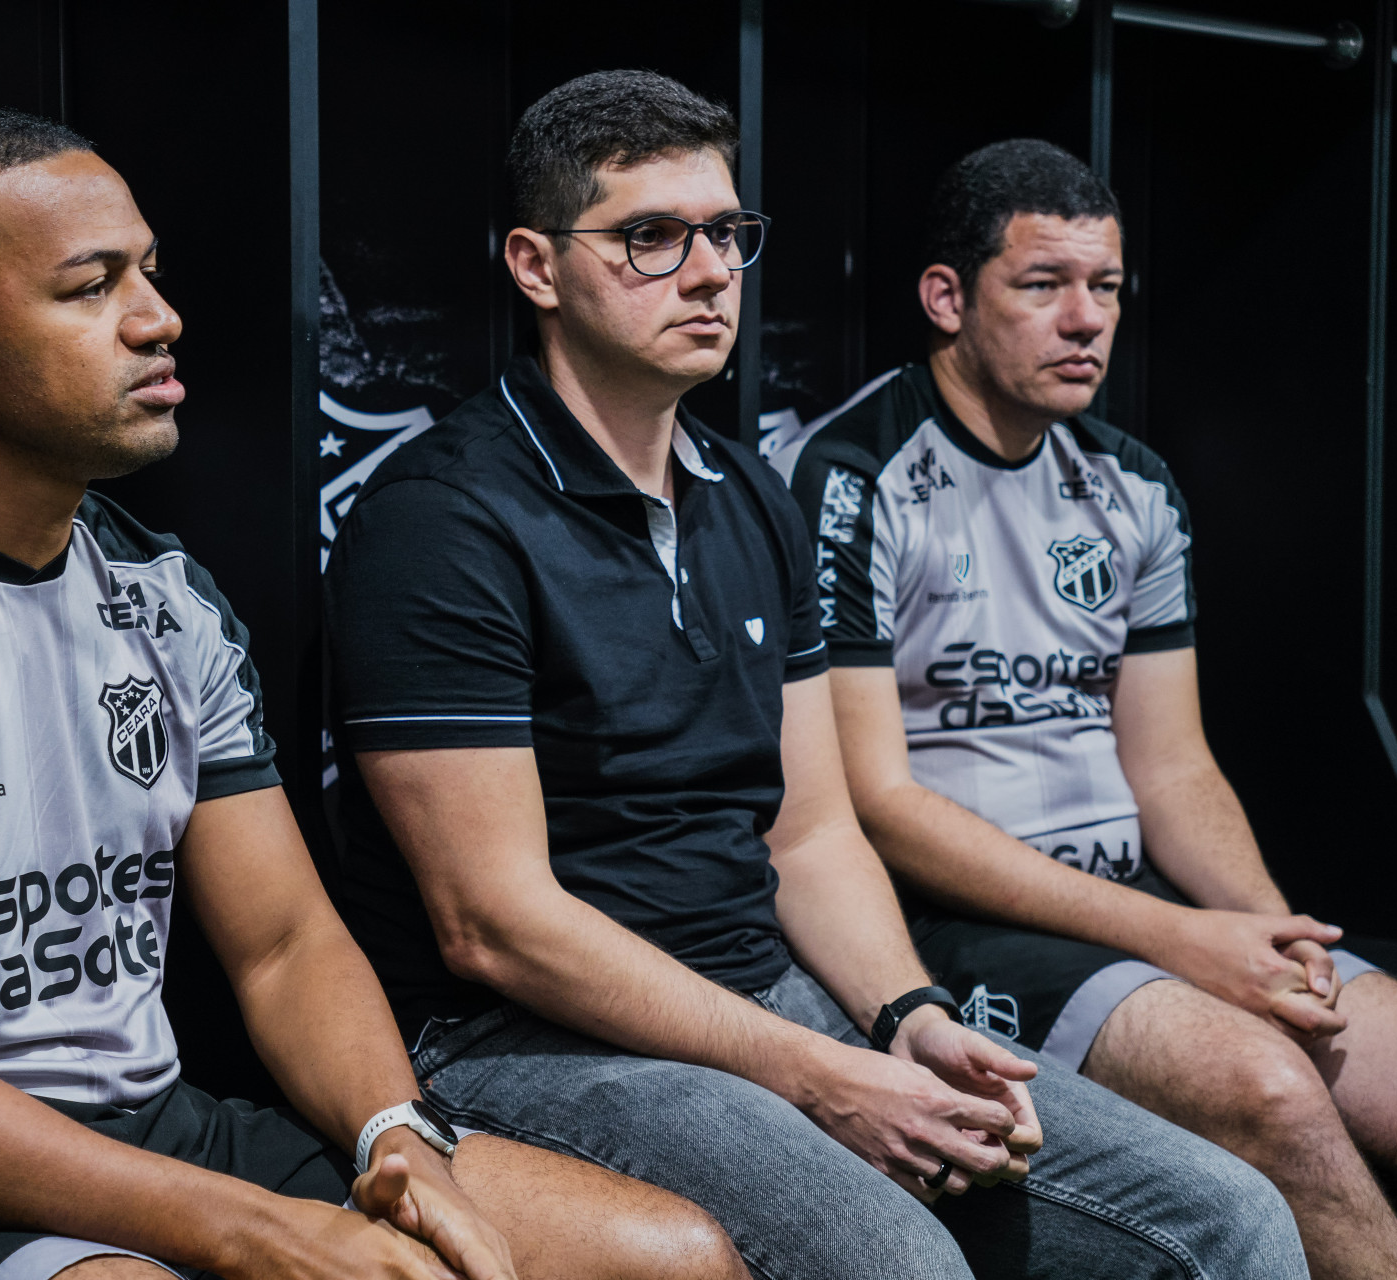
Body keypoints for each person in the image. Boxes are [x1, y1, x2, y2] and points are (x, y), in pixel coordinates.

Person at [0, 106, 746, 1280]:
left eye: (150, 272)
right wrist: (255, 1228)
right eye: (91, 286)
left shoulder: (163, 594)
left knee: (670, 1257)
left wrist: (396, 1134)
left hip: (155, 1130)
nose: (158, 317)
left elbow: (284, 943)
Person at [323, 71, 1308, 1280]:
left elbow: (813, 830)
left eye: (726, 233)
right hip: (525, 1037)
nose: (707, 273)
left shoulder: (751, 497)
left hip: (762, 990)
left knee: (1230, 1214)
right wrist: (817, 1071)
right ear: (537, 266)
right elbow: (496, 927)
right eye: (650, 237)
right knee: (904, 1262)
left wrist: (908, 1014)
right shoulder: (442, 518)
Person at [769, 137, 1397, 1279]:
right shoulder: (851, 477)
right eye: (1043, 285)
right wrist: (1183, 939)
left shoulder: (1133, 483)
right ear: (947, 299)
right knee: (1269, 1088)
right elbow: (877, 800)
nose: (1086, 321)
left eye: (1106, 287)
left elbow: (1172, 767)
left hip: (1135, 896)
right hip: (960, 923)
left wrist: (1271, 940)